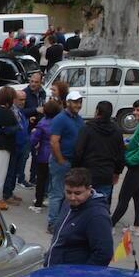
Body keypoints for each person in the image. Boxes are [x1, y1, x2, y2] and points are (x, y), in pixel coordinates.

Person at [46, 168, 114, 266]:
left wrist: (82, 276)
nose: (72, 197)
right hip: (55, 270)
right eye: (68, 192)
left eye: (78, 193)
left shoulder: (97, 216)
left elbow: (104, 254)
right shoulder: (68, 203)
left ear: (89, 189)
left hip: (70, 276)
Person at [111, 99, 139, 236]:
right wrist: (125, 144)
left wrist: (128, 160)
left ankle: (110, 225)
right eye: (134, 109)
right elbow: (135, 142)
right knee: (138, 196)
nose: (135, 112)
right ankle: (137, 226)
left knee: (124, 196)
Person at [45, 90, 84, 230]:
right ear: (68, 103)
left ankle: (62, 221)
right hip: (61, 162)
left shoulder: (79, 119)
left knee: (67, 194)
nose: (78, 105)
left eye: (79, 102)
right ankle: (53, 223)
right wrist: (60, 160)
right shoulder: (60, 119)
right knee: (57, 193)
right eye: (75, 102)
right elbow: (54, 142)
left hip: (72, 162)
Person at [72, 100, 126, 201]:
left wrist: (75, 168)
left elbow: (78, 151)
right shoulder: (117, 131)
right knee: (102, 204)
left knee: (84, 203)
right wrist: (117, 172)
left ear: (97, 112)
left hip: (87, 173)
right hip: (106, 174)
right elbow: (120, 154)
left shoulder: (87, 129)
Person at [28, 99, 60, 211]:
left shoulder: (42, 123)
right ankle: (53, 200)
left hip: (43, 154)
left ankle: (38, 203)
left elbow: (34, 140)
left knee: (41, 180)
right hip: (57, 154)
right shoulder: (60, 122)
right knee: (54, 180)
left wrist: (32, 139)